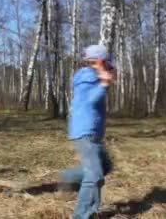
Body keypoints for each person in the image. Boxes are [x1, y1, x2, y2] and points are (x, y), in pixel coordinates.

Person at [60, 44, 115, 219]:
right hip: (86, 131)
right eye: (108, 64)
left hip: (93, 132)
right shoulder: (86, 76)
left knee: (104, 166)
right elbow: (90, 100)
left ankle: (69, 177)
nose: (111, 68)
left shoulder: (92, 75)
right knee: (94, 174)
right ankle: (83, 215)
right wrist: (104, 83)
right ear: (100, 61)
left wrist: (103, 77)